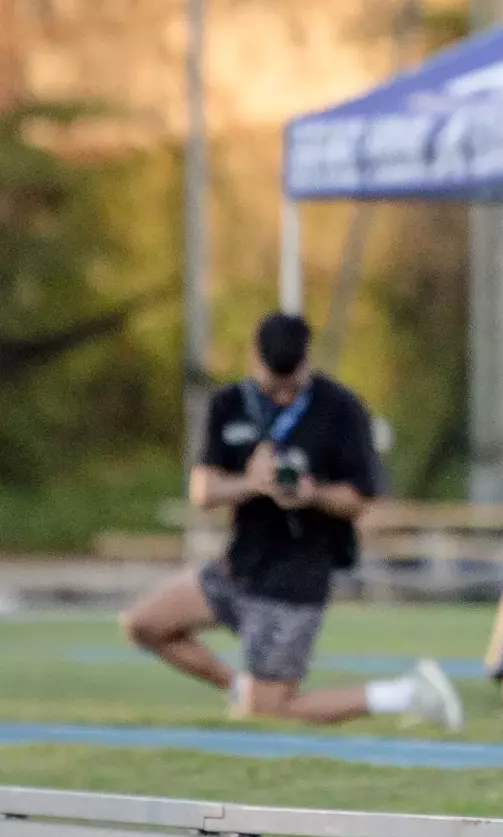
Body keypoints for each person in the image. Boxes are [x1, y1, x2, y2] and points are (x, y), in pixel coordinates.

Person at [120, 311, 463, 731]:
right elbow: (202, 490)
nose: (282, 396)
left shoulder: (340, 409)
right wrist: (250, 483)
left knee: (272, 709)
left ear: (307, 361)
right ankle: (237, 688)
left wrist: (311, 494)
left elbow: (362, 497)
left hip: (294, 582)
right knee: (143, 624)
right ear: (254, 360)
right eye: (273, 384)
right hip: (239, 566)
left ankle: (407, 694)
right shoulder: (229, 405)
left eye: (292, 385)